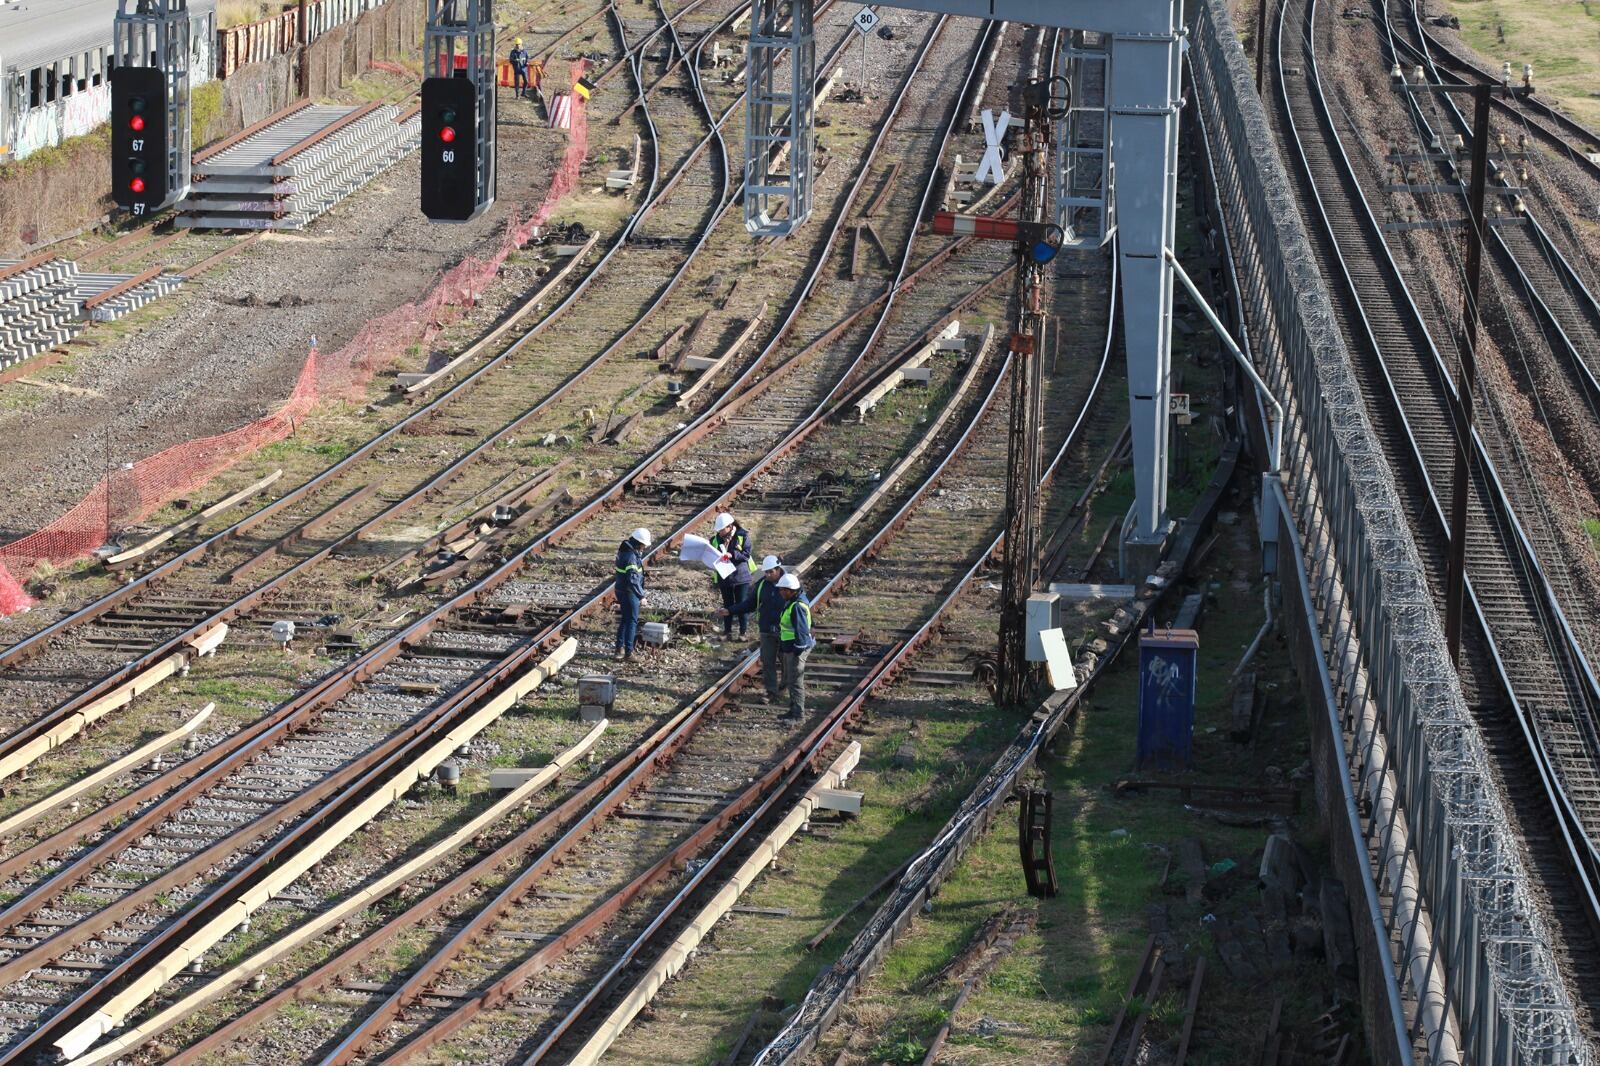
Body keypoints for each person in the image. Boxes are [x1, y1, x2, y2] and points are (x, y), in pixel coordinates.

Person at [718, 555, 786, 702]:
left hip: (786, 631)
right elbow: (750, 604)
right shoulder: (762, 584)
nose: (767, 575)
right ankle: (771, 692)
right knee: (768, 662)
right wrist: (730, 610)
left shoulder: (790, 583)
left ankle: (785, 687)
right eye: (766, 572)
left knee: (787, 662)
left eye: (770, 572)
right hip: (767, 629)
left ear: (778, 569)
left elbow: (801, 604)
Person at [709, 512, 756, 641]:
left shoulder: (742, 535)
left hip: (741, 577)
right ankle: (727, 632)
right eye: (718, 530)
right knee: (727, 605)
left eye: (722, 530)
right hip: (725, 577)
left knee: (742, 605)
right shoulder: (715, 539)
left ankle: (743, 633)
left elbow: (746, 555)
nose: (719, 533)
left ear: (729, 526)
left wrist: (732, 554)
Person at [776, 573, 814, 720]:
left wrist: (797, 650)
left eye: (782, 590)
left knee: (795, 681)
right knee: (791, 680)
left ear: (790, 590)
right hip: (789, 647)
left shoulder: (797, 606)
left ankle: (798, 714)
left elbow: (802, 631)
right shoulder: (793, 602)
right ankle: (793, 710)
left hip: (795, 649)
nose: (780, 592)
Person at [614, 527, 650, 660]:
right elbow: (633, 579)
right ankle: (629, 652)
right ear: (638, 542)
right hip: (630, 592)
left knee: (625, 619)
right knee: (632, 621)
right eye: (644, 544)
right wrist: (641, 595)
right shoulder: (631, 557)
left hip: (621, 590)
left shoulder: (624, 551)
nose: (645, 547)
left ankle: (619, 649)